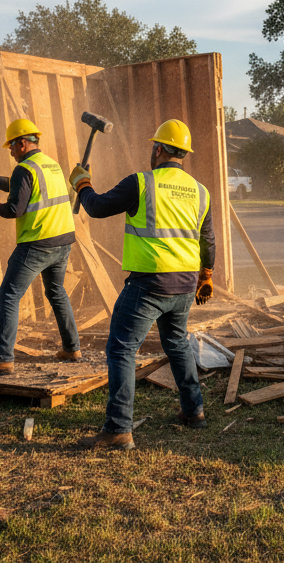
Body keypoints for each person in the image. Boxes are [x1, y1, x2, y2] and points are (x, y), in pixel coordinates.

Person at [69, 118, 215, 451]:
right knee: (177, 343)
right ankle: (194, 412)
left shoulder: (141, 183)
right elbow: (208, 239)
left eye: (154, 147)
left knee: (121, 350)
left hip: (149, 284)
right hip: (184, 285)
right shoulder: (200, 191)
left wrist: (82, 183)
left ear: (160, 149)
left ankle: (119, 430)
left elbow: (96, 207)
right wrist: (206, 276)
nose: (152, 152)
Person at [0, 119, 81, 375]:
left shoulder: (25, 169)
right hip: (62, 241)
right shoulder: (51, 165)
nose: (10, 151)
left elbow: (15, 208)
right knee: (56, 292)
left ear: (23, 143)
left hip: (37, 243)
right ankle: (72, 347)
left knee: (8, 295)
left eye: (12, 146)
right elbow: (23, 187)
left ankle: (2, 358)